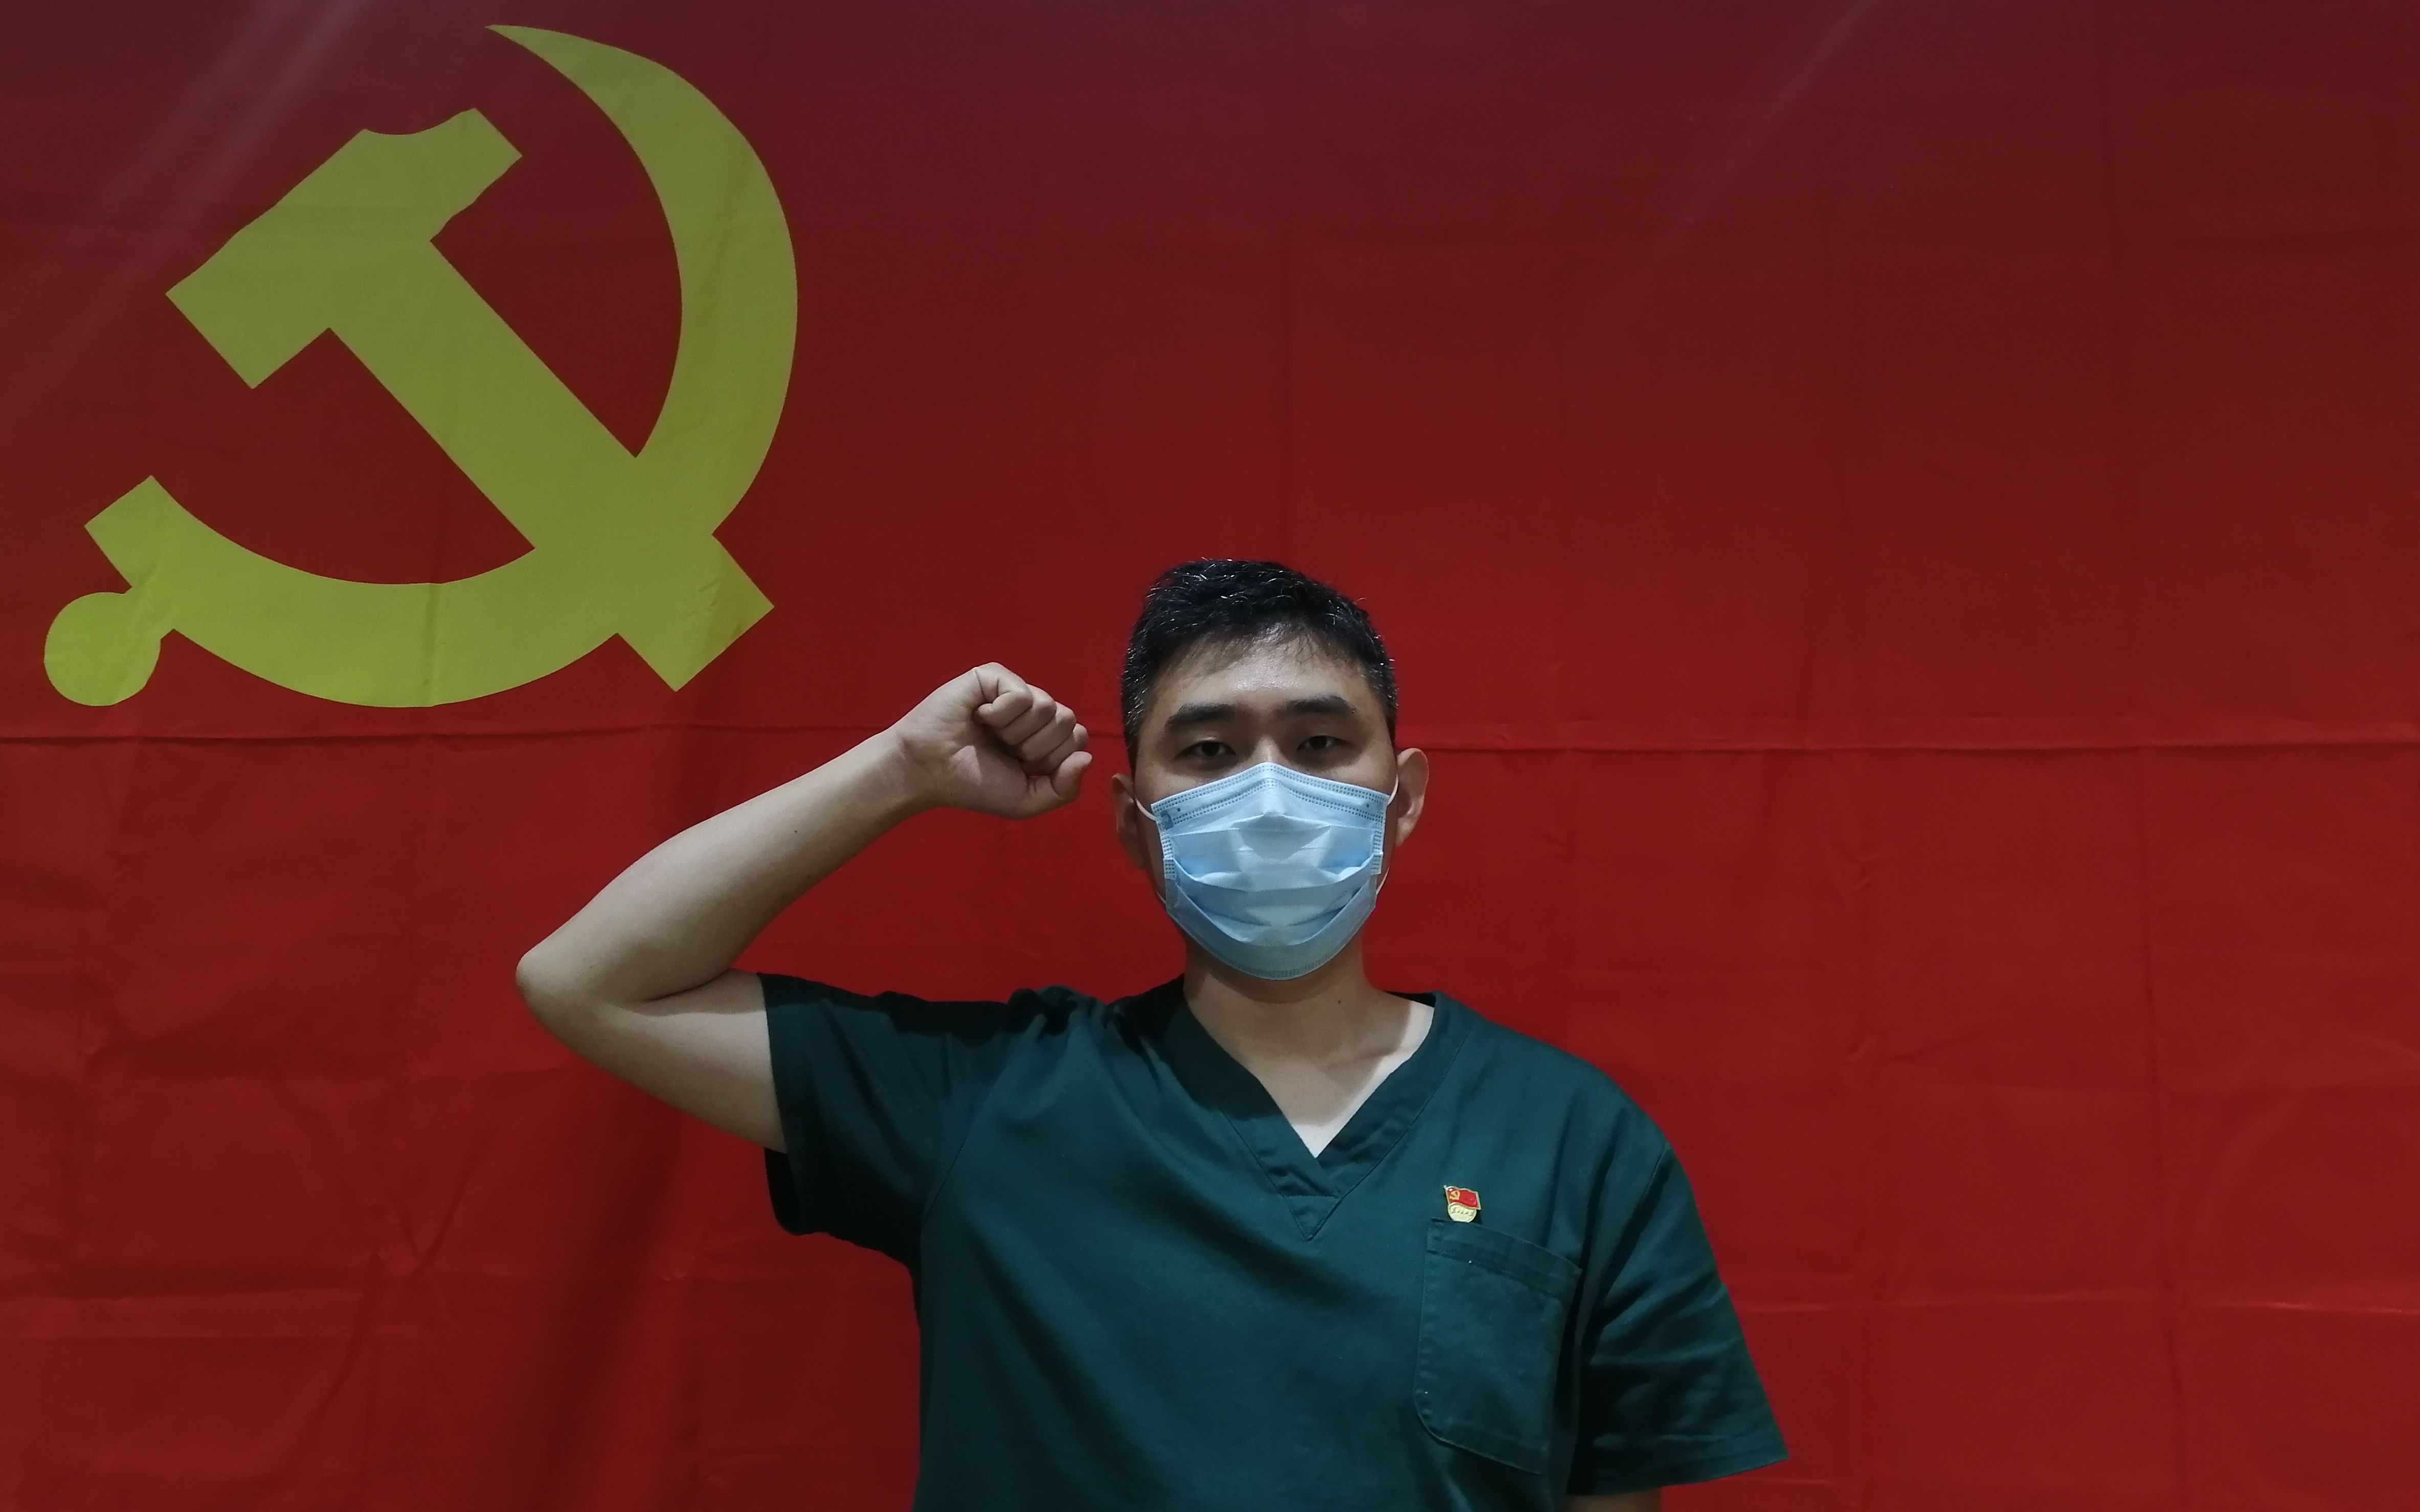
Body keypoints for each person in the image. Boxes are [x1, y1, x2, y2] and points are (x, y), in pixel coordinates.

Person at [516, 559, 1786, 1511]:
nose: (1269, 792)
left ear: (1399, 801)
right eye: (1209, 750)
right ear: (1135, 823)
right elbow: (592, 983)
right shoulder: (982, 1103)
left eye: (1320, 743)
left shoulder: (1571, 1140)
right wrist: (901, 769)